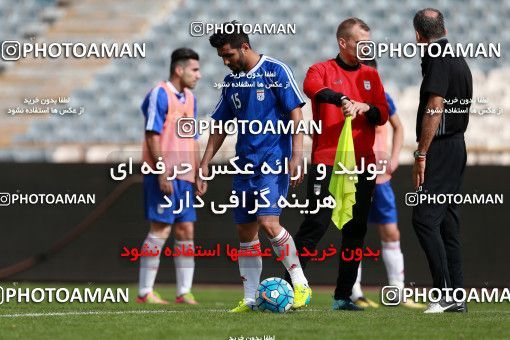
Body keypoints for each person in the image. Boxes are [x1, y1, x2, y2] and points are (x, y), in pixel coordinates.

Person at [196, 21, 312, 312]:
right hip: (244, 166)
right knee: (245, 233)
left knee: (268, 223)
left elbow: (296, 114)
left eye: (228, 55)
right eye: (221, 57)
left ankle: (300, 284)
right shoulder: (232, 81)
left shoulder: (275, 70)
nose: (225, 61)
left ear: (244, 47)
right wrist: (204, 163)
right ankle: (249, 299)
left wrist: (297, 156)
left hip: (273, 160)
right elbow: (220, 124)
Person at [283, 17, 389, 311]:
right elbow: (313, 89)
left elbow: (382, 112)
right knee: (315, 226)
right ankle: (290, 288)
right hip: (327, 161)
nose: (366, 48)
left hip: (363, 164)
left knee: (356, 230)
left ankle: (343, 296)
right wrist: (343, 99)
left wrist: (364, 106)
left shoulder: (372, 75)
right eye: (360, 42)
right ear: (343, 43)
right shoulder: (321, 69)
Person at [349, 59, 424, 309]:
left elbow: (398, 128)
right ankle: (354, 293)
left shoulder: (383, 98)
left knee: (391, 231)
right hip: (352, 175)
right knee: (353, 233)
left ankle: (398, 291)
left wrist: (393, 158)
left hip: (379, 178)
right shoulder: (344, 99)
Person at [411, 8, 472, 313]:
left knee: (423, 219)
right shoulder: (457, 57)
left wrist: (422, 153)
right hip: (455, 146)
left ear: (418, 35)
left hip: (443, 147)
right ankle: (457, 295)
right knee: (446, 223)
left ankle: (445, 294)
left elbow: (435, 105)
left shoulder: (437, 58)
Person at [137, 48, 202, 305]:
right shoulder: (159, 94)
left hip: (185, 176)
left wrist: (198, 172)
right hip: (163, 174)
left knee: (186, 230)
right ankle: (145, 292)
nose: (199, 75)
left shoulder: (191, 99)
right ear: (179, 69)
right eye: (195, 70)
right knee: (161, 229)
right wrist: (162, 169)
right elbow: (152, 134)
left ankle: (184, 292)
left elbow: (193, 137)